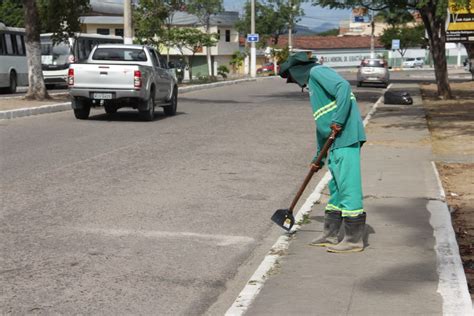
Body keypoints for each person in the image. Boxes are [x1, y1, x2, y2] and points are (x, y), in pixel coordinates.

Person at [279, 52, 367, 253]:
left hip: (346, 137)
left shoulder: (318, 72)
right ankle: (330, 235)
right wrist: (318, 157)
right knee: (336, 190)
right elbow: (322, 124)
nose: (296, 83)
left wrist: (338, 120)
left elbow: (343, 87)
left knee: (348, 187)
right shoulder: (314, 88)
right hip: (334, 142)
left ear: (296, 71)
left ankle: (353, 240)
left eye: (292, 78)